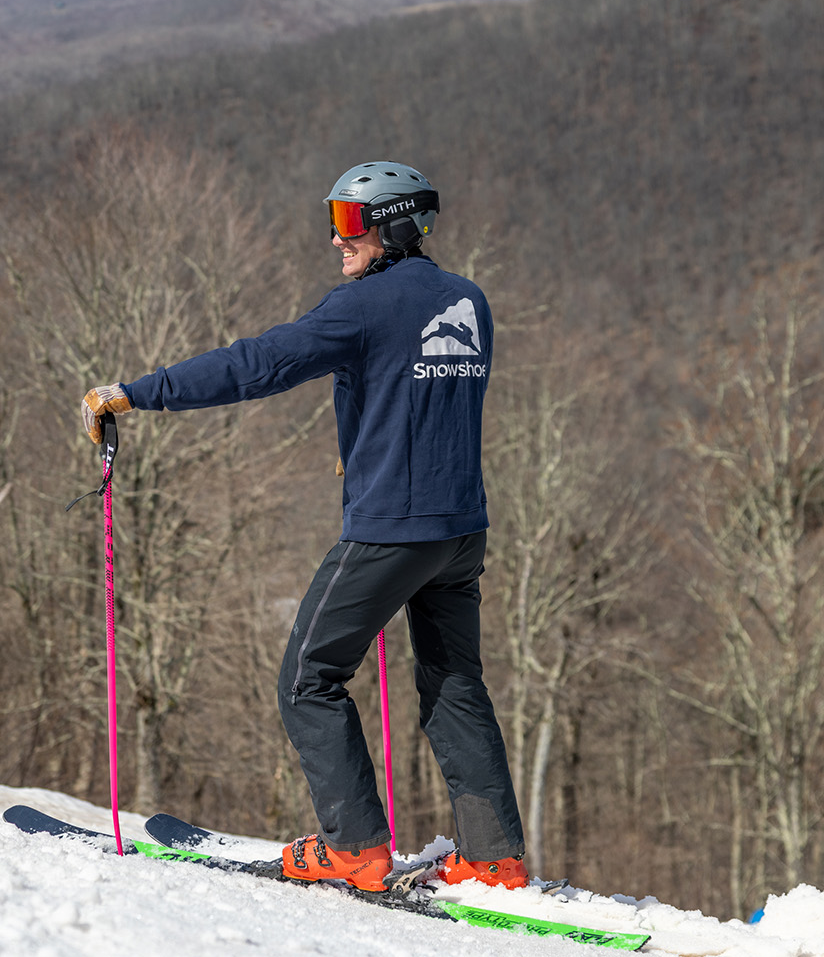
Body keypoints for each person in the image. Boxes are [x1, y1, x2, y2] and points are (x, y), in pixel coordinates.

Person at [81, 161, 527, 893]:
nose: (334, 238)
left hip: (392, 531)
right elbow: (419, 400)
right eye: (333, 219)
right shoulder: (467, 301)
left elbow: (257, 364)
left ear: (394, 226)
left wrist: (136, 394)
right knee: (454, 683)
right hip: (460, 532)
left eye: (350, 223)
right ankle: (493, 857)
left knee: (307, 677)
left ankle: (353, 847)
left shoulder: (364, 306)